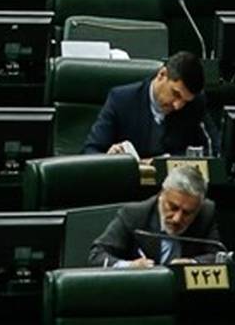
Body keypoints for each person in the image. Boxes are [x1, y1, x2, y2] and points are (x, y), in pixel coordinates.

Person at [83, 52, 218, 158]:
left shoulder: (195, 104)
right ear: (162, 74)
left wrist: (168, 161)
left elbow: (213, 151)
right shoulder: (121, 100)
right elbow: (90, 151)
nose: (178, 105)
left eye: (185, 101)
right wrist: (109, 157)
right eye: (176, 94)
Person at [88, 165, 222, 267]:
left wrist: (193, 263)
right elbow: (97, 255)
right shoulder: (134, 214)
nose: (177, 219)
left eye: (187, 213)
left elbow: (218, 256)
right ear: (161, 195)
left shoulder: (206, 212)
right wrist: (129, 266)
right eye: (173, 207)